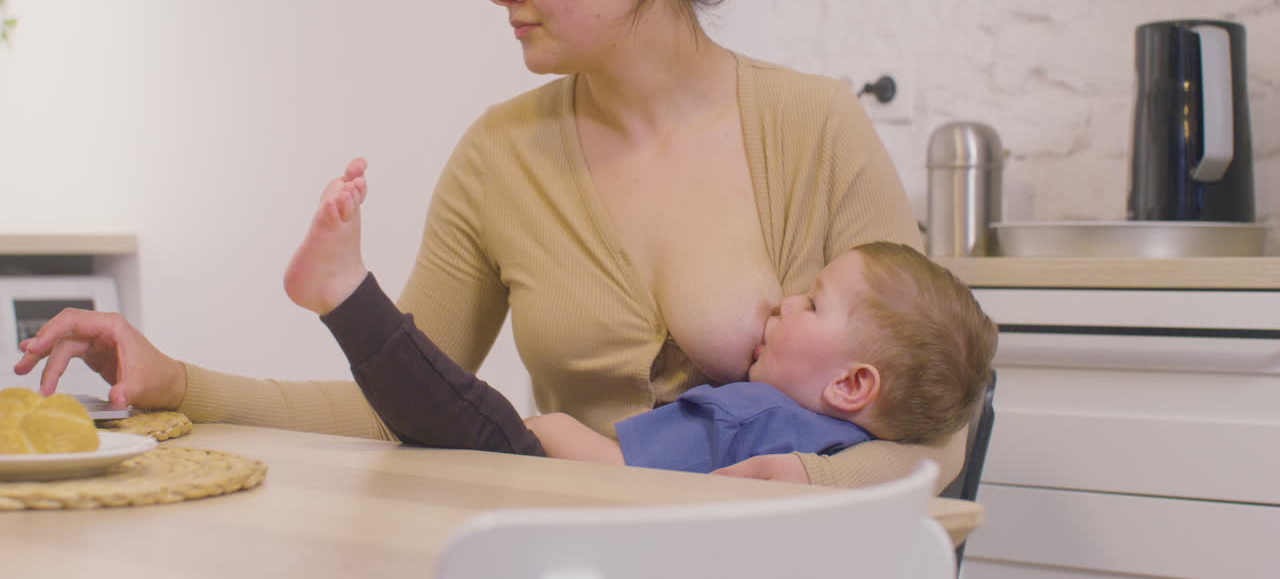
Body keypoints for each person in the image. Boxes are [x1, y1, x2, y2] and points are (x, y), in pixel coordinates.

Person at [13, 0, 966, 488]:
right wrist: (178, 377)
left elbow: (934, 430)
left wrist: (758, 495)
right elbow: (408, 396)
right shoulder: (499, 156)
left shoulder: (812, 128)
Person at [285, 158, 997, 474]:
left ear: (851, 385)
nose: (785, 300)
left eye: (812, 304)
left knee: (454, 411)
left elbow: (622, 468)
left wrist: (555, 430)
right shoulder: (834, 452)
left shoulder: (750, 417)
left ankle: (347, 294)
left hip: (579, 511)